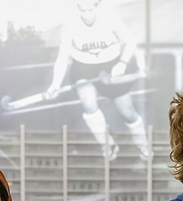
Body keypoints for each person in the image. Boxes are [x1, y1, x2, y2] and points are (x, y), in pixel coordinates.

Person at [44, 0, 150, 161]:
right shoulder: (69, 26)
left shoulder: (111, 20)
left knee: (127, 112)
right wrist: (55, 84)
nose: (87, 13)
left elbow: (130, 42)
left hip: (112, 66)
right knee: (88, 104)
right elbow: (63, 57)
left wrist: (122, 63)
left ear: (97, 5)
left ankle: (143, 146)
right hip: (83, 68)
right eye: (82, 9)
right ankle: (108, 145)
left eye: (90, 9)